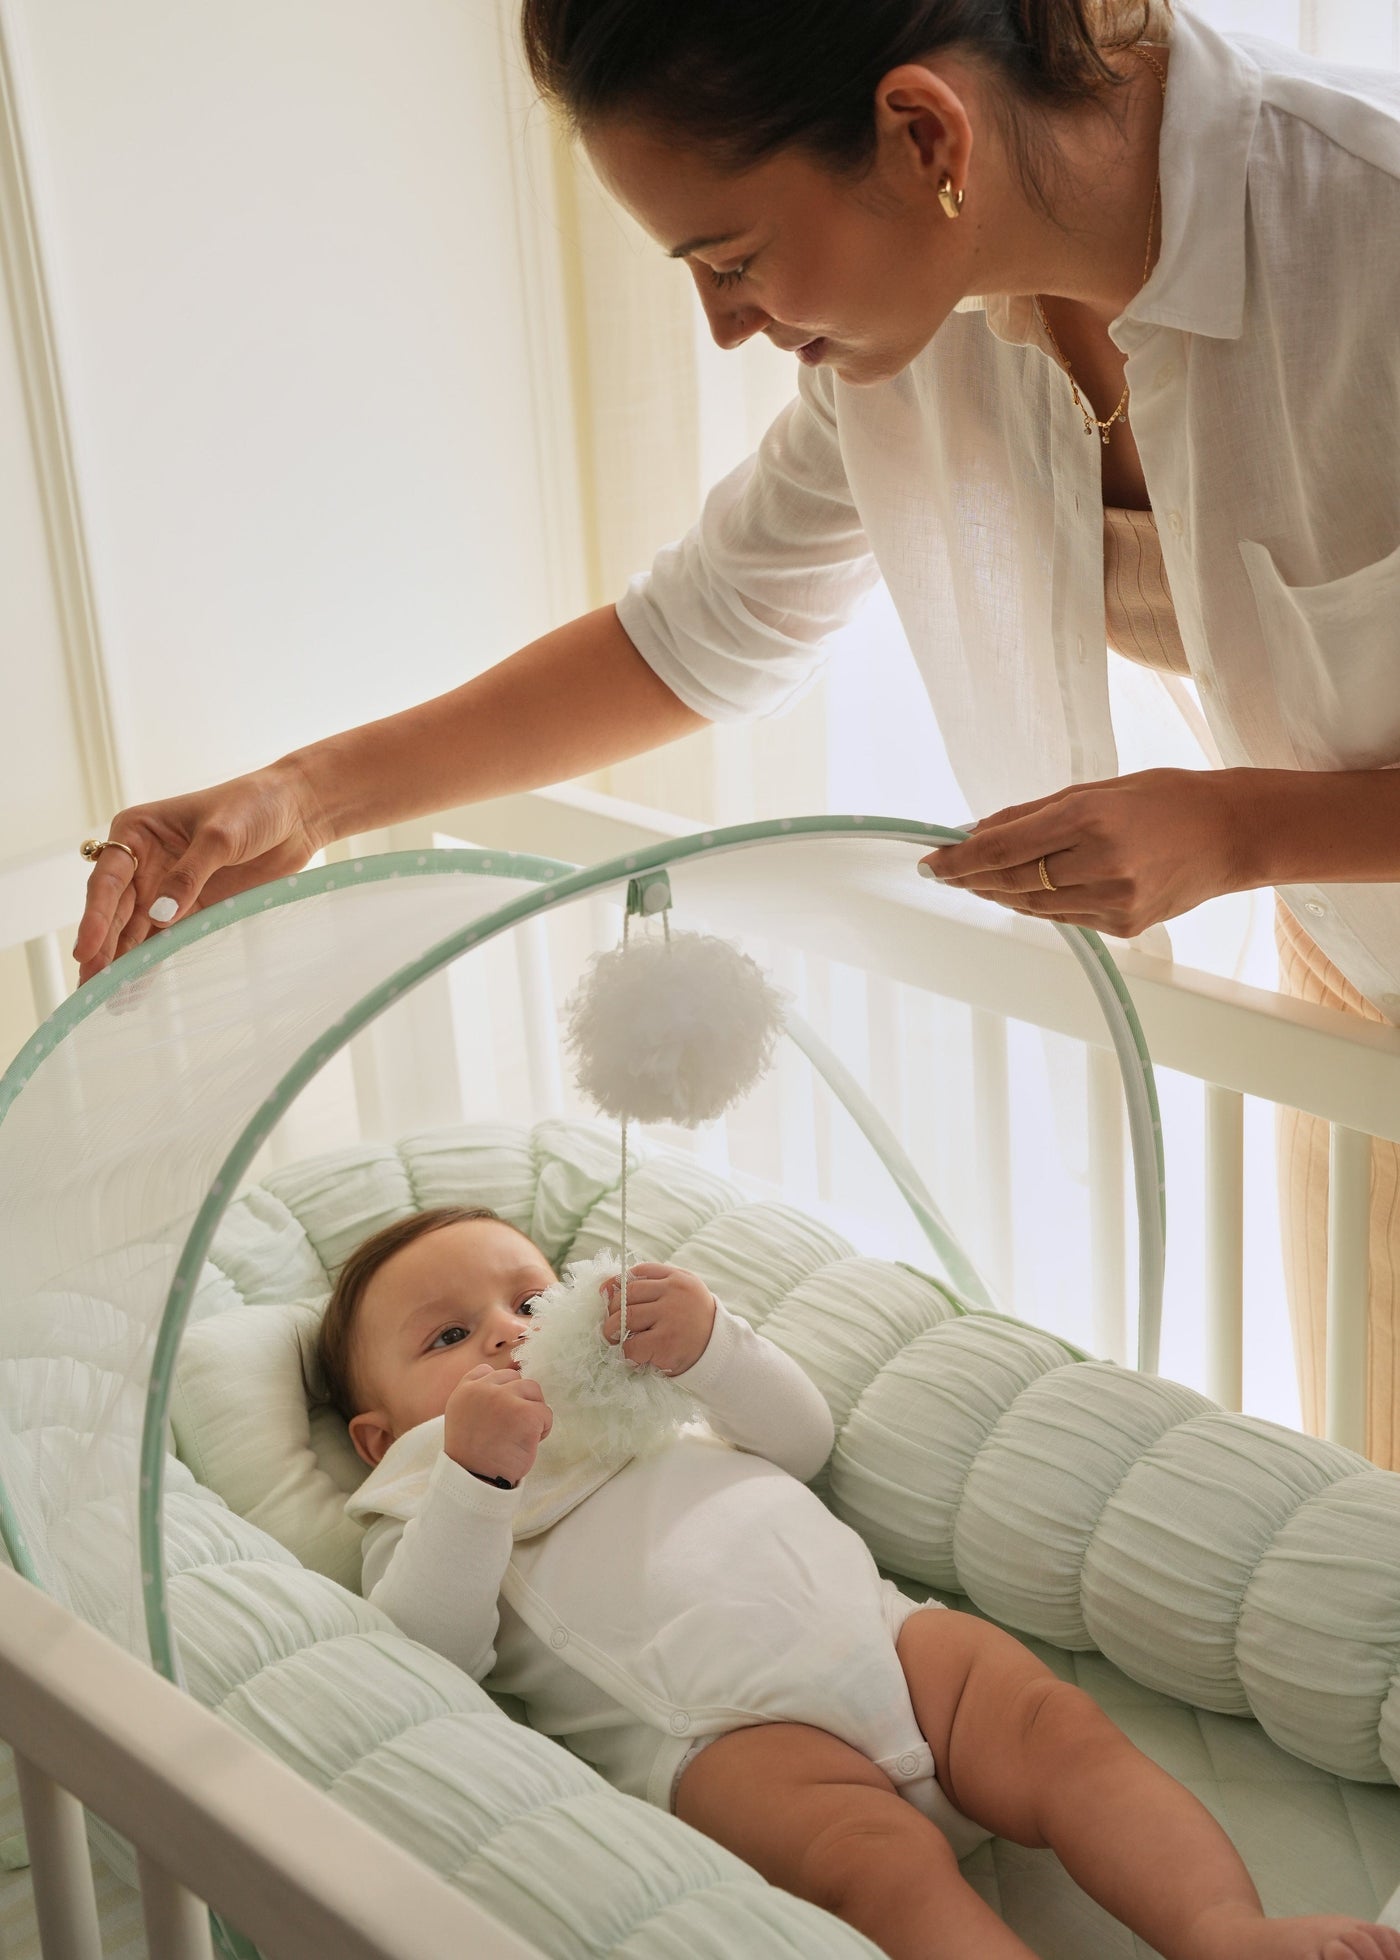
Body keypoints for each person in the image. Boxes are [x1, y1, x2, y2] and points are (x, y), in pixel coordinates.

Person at [72, 3, 1400, 1462]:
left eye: (734, 259)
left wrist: (1247, 826)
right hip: (1356, 986)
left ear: (923, 136)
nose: (725, 325)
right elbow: (691, 630)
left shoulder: (1368, 238)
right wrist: (306, 794)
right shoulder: (929, 328)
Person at [321, 1203, 1399, 1960]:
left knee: (1059, 1729)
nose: (510, 1332)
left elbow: (795, 1439)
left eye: (531, 1296)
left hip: (890, 1644)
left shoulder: (644, 1404)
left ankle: (1221, 1930)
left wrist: (707, 1349)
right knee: (876, 1867)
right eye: (450, 1335)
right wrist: (474, 1476)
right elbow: (428, 1650)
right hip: (725, 1737)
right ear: (376, 1435)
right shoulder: (422, 1494)